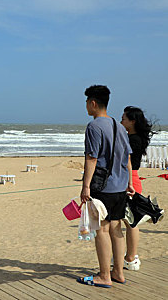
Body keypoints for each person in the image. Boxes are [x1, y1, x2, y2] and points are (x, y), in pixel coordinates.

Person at [77, 85, 134, 288]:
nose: (85, 105)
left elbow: (92, 158)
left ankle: (104, 275)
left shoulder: (94, 126)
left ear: (93, 103)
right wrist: (130, 182)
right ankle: (118, 272)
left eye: (86, 102)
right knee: (117, 228)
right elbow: (127, 156)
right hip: (120, 186)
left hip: (103, 187)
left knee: (101, 230)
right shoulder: (119, 126)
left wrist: (85, 187)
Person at [120, 106, 154, 271]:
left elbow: (128, 163)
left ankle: (131, 257)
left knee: (131, 221)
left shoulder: (133, 139)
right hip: (131, 178)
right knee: (129, 221)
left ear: (132, 121)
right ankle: (130, 256)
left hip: (130, 179)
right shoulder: (133, 137)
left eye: (124, 119)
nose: (121, 121)